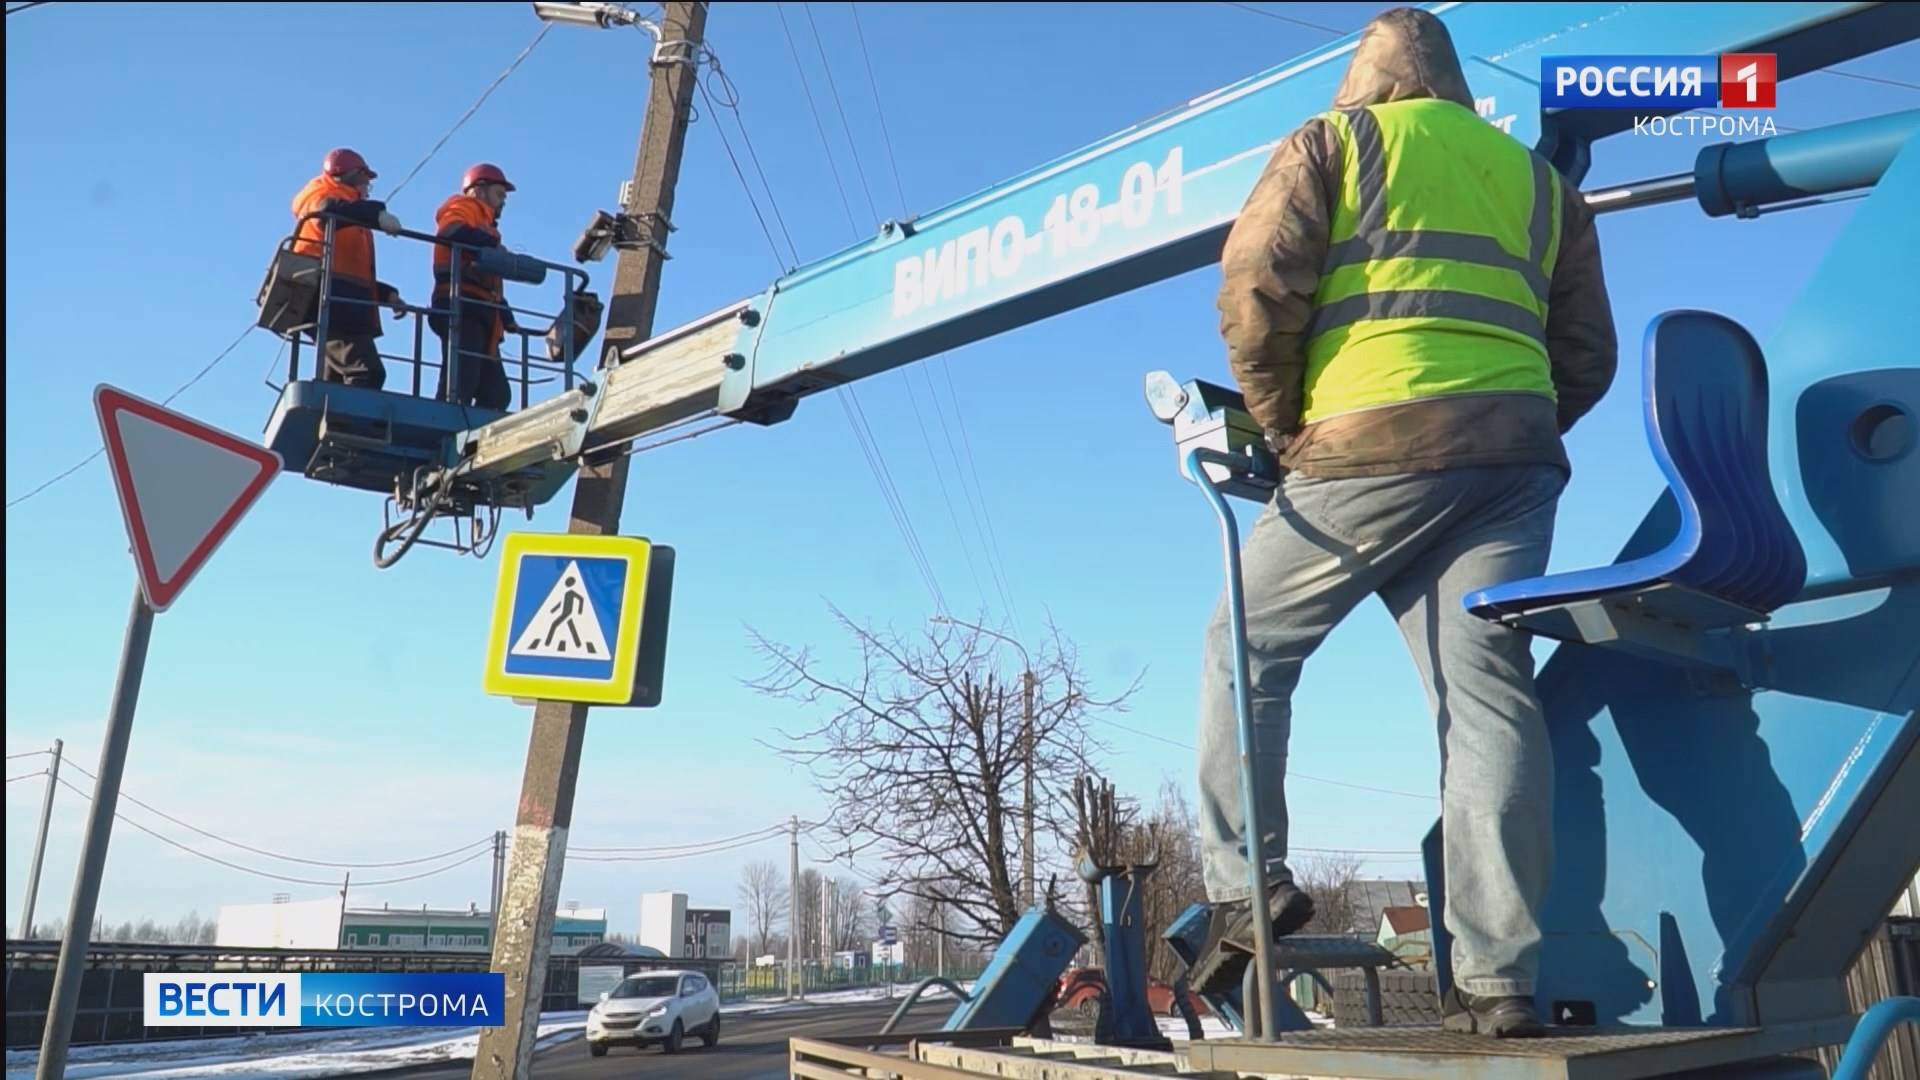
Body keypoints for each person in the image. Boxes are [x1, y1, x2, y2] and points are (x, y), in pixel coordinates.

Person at [1187, 7, 1617, 1038]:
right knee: (1488, 704)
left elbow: (1256, 289)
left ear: (1363, 79)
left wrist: (1287, 424)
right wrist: (1514, 420)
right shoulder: (1540, 185)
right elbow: (1587, 351)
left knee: (1242, 649)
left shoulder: (1333, 144)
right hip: (1513, 465)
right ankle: (1501, 979)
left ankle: (1246, 885)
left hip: (1362, 449)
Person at [290, 148, 407, 389]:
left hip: (339, 303)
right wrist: (376, 214)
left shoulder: (348, 212)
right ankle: (348, 426)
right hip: (325, 302)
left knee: (333, 382)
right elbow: (325, 210)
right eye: (365, 181)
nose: (366, 189)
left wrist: (386, 294)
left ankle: (334, 422)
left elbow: (347, 271)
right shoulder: (323, 194)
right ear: (351, 175)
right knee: (367, 372)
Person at [431, 163, 521, 410]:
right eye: (499, 194)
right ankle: (441, 429)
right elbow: (450, 231)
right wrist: (491, 243)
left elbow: (486, 279)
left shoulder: (486, 224)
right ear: (479, 190)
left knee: (497, 394)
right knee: (459, 385)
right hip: (460, 305)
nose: (503, 201)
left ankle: (474, 442)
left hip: (480, 311)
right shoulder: (465, 206)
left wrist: (504, 312)